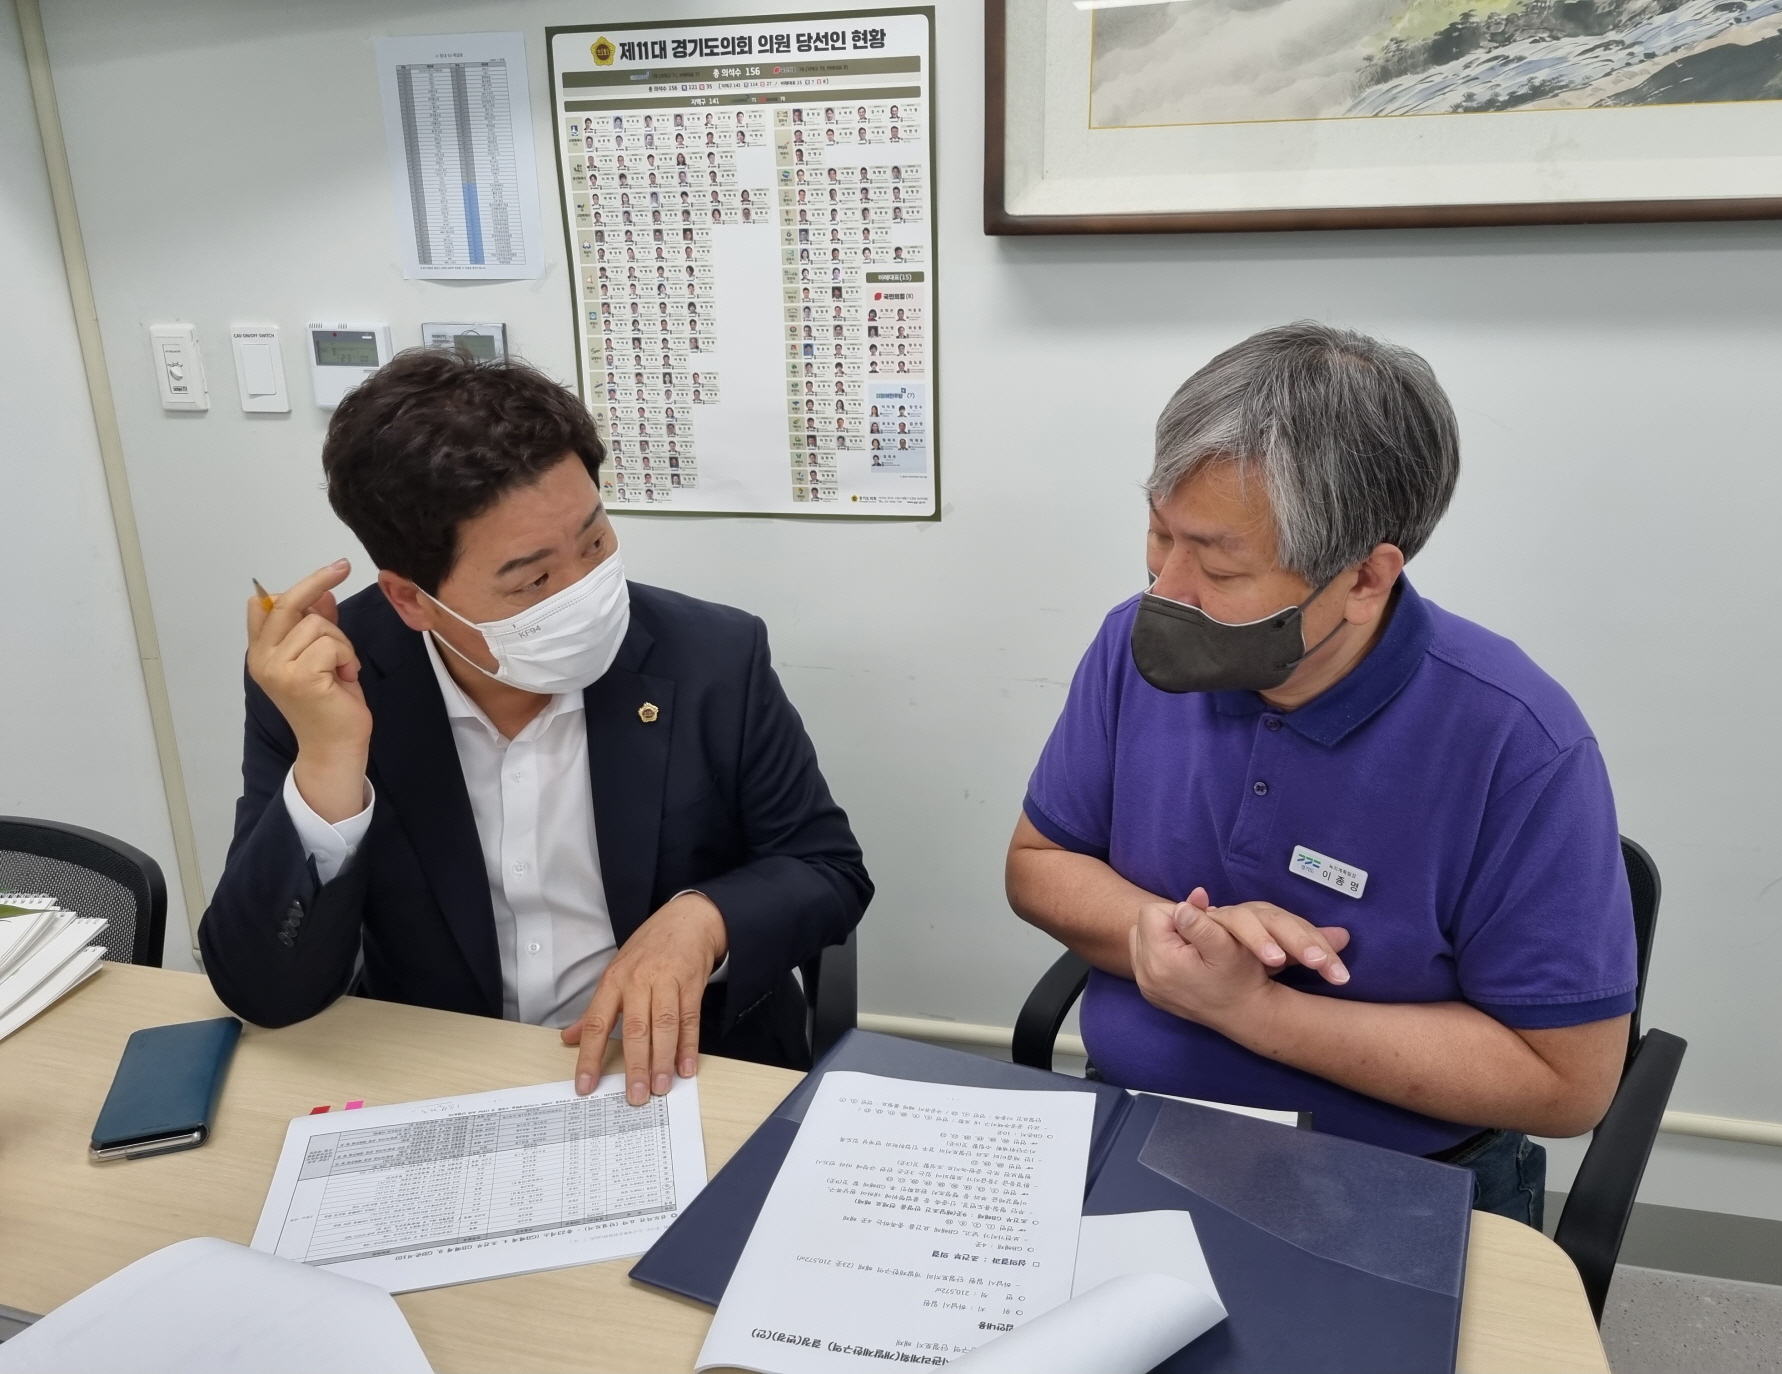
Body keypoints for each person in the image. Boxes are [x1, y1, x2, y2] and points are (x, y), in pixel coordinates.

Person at [1006, 322, 1635, 1227]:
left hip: (1390, 1175)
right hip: (1136, 1123)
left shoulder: (1516, 741)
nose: (1167, 588)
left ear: (1367, 579)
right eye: (1158, 533)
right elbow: (1039, 862)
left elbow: (1566, 1083)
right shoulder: (1133, 646)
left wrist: (1253, 1010)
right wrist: (1169, 932)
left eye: (1219, 563)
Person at [205, 351, 871, 1105]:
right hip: (438, 1082)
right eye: (533, 580)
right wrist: (330, 760)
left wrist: (704, 919)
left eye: (594, 541)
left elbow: (826, 868)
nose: (584, 592)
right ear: (411, 600)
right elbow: (264, 989)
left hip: (681, 1072)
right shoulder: (326, 688)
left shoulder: (712, 656)